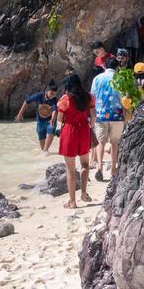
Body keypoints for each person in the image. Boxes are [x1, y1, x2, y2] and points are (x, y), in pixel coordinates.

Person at [55, 74, 94, 209]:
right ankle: (83, 193)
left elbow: (59, 119)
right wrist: (90, 127)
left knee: (70, 170)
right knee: (85, 164)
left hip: (70, 132)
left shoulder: (65, 99)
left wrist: (58, 130)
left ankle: (72, 202)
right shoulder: (88, 97)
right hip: (84, 130)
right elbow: (93, 117)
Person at [91, 57, 125, 181]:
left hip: (100, 114)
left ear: (105, 66)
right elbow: (125, 98)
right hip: (117, 115)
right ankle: (113, 170)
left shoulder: (97, 79)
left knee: (101, 142)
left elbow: (92, 96)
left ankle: (99, 167)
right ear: (117, 67)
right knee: (114, 143)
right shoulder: (121, 79)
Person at [15, 82, 61, 152]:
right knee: (42, 148)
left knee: (51, 130)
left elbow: (55, 111)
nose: (53, 96)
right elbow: (27, 101)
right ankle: (56, 133)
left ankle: (47, 148)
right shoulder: (39, 95)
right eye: (51, 93)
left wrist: (52, 119)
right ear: (46, 91)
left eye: (55, 94)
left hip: (50, 121)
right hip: (40, 121)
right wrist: (20, 114)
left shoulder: (54, 100)